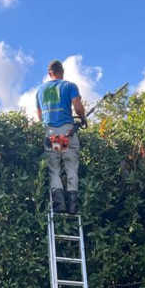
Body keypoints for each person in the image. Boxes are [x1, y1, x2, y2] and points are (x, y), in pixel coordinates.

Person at [36, 60, 86, 214]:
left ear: (49, 73)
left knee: (55, 168)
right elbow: (77, 108)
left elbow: (39, 116)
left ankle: (59, 204)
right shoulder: (69, 86)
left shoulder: (41, 90)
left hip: (52, 133)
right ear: (62, 72)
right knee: (71, 166)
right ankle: (72, 205)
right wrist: (83, 117)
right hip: (67, 131)